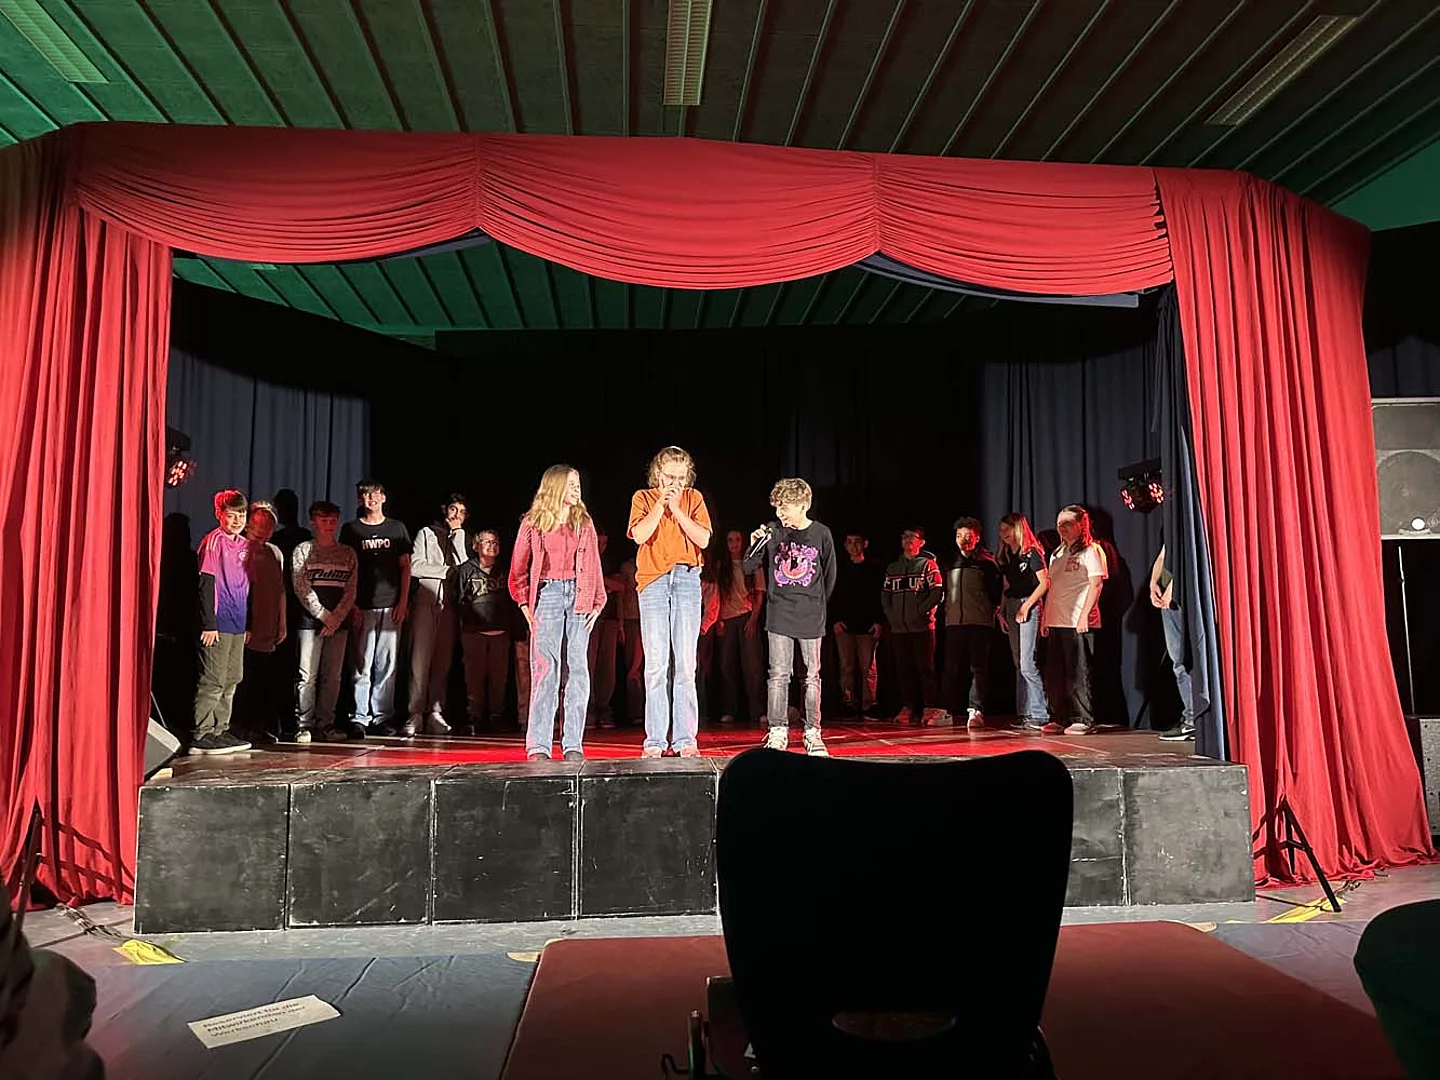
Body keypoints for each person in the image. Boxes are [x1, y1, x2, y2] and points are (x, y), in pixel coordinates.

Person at [509, 466, 606, 761]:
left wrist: (598, 602)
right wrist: (525, 604)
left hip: (580, 596)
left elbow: (594, 565)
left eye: (578, 484)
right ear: (555, 486)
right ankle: (539, 745)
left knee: (577, 670)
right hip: (548, 595)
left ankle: (573, 742)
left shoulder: (583, 522)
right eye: (571, 484)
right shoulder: (533, 522)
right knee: (545, 670)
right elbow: (518, 569)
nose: (577, 489)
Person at [627, 446, 713, 758]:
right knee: (656, 665)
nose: (674, 483)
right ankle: (655, 740)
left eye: (679, 478)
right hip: (653, 581)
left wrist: (676, 508)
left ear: (687, 477)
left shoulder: (693, 498)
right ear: (657, 475)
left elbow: (703, 539)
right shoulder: (643, 497)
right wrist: (660, 505)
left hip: (687, 578)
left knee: (686, 664)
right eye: (668, 477)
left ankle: (685, 738)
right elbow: (640, 535)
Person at [745, 478, 837, 756]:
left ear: (803, 505)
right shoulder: (773, 532)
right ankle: (777, 730)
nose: (779, 513)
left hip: (811, 614)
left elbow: (830, 575)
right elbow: (749, 566)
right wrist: (755, 544)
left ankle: (812, 731)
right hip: (779, 614)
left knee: (811, 676)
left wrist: (817, 605)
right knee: (778, 675)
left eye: (784, 507)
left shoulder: (821, 533)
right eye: (777, 507)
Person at [340, 479, 412, 737]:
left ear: (383, 497)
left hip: (390, 605)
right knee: (362, 664)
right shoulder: (352, 529)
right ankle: (359, 717)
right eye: (365, 496)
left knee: (387, 664)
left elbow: (405, 568)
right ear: (361, 500)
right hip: (362, 605)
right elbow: (346, 569)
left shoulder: (396, 528)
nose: (370, 499)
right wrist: (351, 604)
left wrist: (402, 602)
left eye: (375, 495)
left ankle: (382, 717)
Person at [190, 489, 253, 755]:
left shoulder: (246, 545)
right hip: (218, 622)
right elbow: (206, 583)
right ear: (219, 514)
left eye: (242, 514)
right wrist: (209, 623)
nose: (237, 520)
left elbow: (247, 586)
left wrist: (248, 624)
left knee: (232, 677)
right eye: (231, 515)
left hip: (238, 622)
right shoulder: (213, 542)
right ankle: (202, 732)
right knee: (214, 679)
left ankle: (220, 729)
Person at [291, 501, 357, 743]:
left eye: (332, 521)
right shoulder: (302, 550)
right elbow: (301, 586)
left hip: (338, 625)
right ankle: (304, 725)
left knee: (333, 676)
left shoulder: (347, 553)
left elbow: (351, 590)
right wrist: (323, 615)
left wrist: (336, 618)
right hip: (310, 623)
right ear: (313, 522)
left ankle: (325, 723)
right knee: (307, 675)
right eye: (323, 521)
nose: (329, 525)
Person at [1041, 505, 1108, 735]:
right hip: (1056, 620)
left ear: (1082, 525)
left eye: (1068, 523)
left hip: (1077, 620)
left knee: (1078, 671)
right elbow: (1052, 587)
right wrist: (1045, 618)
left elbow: (1096, 584)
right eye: (1059, 524)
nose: (1062, 528)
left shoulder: (1091, 550)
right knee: (1056, 674)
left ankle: (1083, 718)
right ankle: (1059, 717)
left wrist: (1084, 615)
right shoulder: (1057, 554)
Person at [406, 495, 469, 736]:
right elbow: (416, 566)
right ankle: (414, 713)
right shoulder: (426, 533)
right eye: (453, 509)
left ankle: (435, 712)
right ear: (445, 509)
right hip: (425, 603)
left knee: (442, 663)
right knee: (419, 662)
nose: (456, 515)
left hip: (449, 607)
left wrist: (458, 535)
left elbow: (464, 568)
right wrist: (447, 571)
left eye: (462, 512)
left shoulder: (462, 536)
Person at [942, 517, 1003, 729]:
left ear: (977, 537)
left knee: (978, 667)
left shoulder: (987, 563)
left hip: (979, 623)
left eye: (968, 536)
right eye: (959, 536)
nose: (964, 540)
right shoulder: (949, 562)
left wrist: (991, 612)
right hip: (953, 623)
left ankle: (976, 709)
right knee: (950, 668)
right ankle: (947, 710)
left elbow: (996, 594)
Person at [451, 528, 512, 734]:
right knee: (474, 677)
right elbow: (457, 599)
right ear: (476, 546)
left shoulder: (505, 569)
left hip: (500, 632)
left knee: (499, 678)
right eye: (487, 542)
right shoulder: (465, 570)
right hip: (473, 632)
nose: (492, 546)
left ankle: (496, 715)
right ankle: (474, 716)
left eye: (495, 542)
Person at [235, 499, 287, 743]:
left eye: (270, 524)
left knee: (263, 679)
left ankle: (258, 726)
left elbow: (280, 590)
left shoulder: (274, 552)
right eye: (260, 523)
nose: (265, 528)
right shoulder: (241, 549)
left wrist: (282, 622)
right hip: (249, 625)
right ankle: (240, 727)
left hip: (269, 624)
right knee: (246, 678)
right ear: (248, 524)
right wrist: (245, 624)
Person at [881, 527, 944, 724]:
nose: (908, 540)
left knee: (925, 669)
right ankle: (908, 707)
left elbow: (937, 593)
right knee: (903, 669)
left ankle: (929, 707)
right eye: (905, 537)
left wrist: (920, 611)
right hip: (899, 628)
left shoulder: (928, 565)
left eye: (912, 537)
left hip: (922, 628)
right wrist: (891, 616)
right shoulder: (893, 568)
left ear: (921, 542)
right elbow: (885, 595)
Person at [996, 512, 1050, 731]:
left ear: (1018, 529)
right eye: (1001, 530)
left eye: (1007, 529)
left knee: (1028, 663)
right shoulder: (1007, 555)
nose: (1003, 534)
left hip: (1029, 604)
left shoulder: (1032, 553)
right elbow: (1007, 586)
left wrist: (1026, 606)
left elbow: (1044, 583)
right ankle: (1025, 712)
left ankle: (1040, 713)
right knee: (1019, 663)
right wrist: (1001, 610)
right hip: (1012, 605)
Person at [713, 529, 766, 725]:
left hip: (746, 617)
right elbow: (716, 594)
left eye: (737, 539)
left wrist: (753, 618)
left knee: (753, 666)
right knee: (726, 666)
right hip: (727, 618)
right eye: (730, 540)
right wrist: (718, 619)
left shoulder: (752, 564)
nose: (734, 543)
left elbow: (759, 592)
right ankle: (729, 709)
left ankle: (758, 710)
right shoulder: (721, 567)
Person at [831, 532, 885, 719]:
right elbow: (832, 595)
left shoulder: (875, 569)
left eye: (857, 542)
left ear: (865, 544)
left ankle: (869, 704)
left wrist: (879, 621)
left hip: (868, 627)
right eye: (849, 542)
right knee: (846, 667)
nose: (853, 546)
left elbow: (881, 596)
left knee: (868, 667)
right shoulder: (840, 569)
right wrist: (835, 620)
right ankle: (848, 704)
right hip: (844, 626)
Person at [1151, 542, 1196, 742]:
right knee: (1177, 660)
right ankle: (1190, 719)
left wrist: (1173, 587)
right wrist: (1154, 583)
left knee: (1192, 658)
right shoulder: (1170, 527)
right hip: (1167, 598)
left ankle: (1195, 719)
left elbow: (1190, 557)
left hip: (1186, 591)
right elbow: (1164, 553)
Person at [587, 527, 624, 729]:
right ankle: (589, 709)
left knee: (607, 668)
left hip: (609, 618)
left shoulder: (610, 561)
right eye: (598, 542)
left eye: (604, 543)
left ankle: (604, 709)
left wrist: (599, 580)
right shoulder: (584, 557)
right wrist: (605, 584)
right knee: (588, 665)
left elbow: (621, 586)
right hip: (589, 618)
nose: (601, 546)